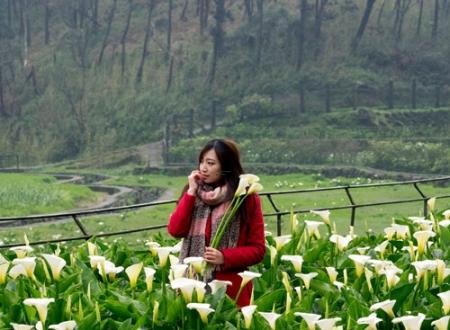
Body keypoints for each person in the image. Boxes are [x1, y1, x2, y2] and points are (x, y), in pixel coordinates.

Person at [167, 139, 265, 306]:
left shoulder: (244, 198)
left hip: (230, 292)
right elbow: (176, 230)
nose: (203, 168)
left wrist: (224, 257)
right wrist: (190, 192)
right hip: (193, 285)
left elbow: (258, 249)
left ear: (226, 166)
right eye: (202, 162)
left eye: (210, 163)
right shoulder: (193, 193)